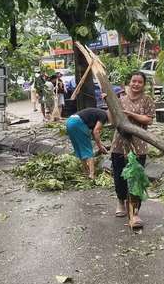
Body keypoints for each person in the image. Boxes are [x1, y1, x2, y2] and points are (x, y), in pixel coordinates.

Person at [110, 71, 155, 229]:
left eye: (139, 82)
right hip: (119, 144)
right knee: (119, 176)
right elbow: (112, 120)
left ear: (144, 84)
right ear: (129, 82)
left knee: (136, 178)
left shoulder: (147, 99)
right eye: (133, 81)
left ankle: (135, 213)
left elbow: (148, 120)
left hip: (139, 145)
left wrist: (130, 114)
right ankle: (121, 202)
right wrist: (109, 104)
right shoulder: (120, 97)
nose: (136, 84)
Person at [66, 107, 109, 179]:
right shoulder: (104, 115)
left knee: (79, 148)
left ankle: (85, 172)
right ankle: (92, 174)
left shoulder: (98, 113)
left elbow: (93, 132)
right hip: (78, 123)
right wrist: (100, 147)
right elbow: (96, 131)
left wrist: (101, 144)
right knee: (88, 149)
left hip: (69, 122)